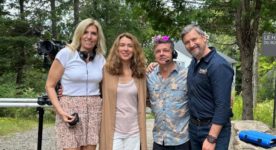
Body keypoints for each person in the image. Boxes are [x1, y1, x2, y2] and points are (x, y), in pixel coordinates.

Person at [45, 18, 106, 150]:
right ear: (79, 34)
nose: (89, 37)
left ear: (98, 37)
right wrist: (60, 111)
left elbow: (107, 85)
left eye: (93, 33)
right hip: (70, 111)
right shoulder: (66, 54)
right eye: (86, 32)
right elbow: (49, 85)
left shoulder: (101, 58)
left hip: (94, 111)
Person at [181, 24, 234, 150]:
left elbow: (223, 106)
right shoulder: (193, 63)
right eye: (187, 42)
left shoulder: (218, 65)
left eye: (194, 39)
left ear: (204, 37)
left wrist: (211, 138)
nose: (191, 44)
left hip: (213, 130)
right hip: (194, 128)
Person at [99, 32, 148, 150]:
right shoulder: (106, 71)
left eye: (130, 46)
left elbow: (148, 97)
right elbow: (93, 90)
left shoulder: (140, 73)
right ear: (116, 48)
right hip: (113, 131)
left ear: (134, 49)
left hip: (134, 131)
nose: (126, 49)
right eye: (122, 45)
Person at [147, 35, 190, 149]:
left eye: (166, 50)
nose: (161, 53)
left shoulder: (186, 75)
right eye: (158, 51)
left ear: (173, 53)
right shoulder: (149, 76)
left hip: (181, 141)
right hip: (159, 140)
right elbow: (146, 100)